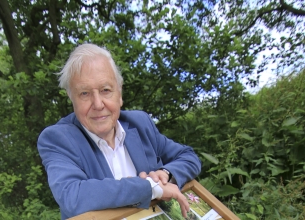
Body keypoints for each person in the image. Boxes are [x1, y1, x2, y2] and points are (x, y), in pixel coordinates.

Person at [37, 43, 201, 220]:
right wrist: (151, 187)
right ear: (72, 98)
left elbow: (189, 157)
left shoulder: (140, 123)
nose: (98, 104)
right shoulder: (57, 138)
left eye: (105, 90)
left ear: (120, 93)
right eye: (84, 93)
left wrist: (166, 174)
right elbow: (72, 196)